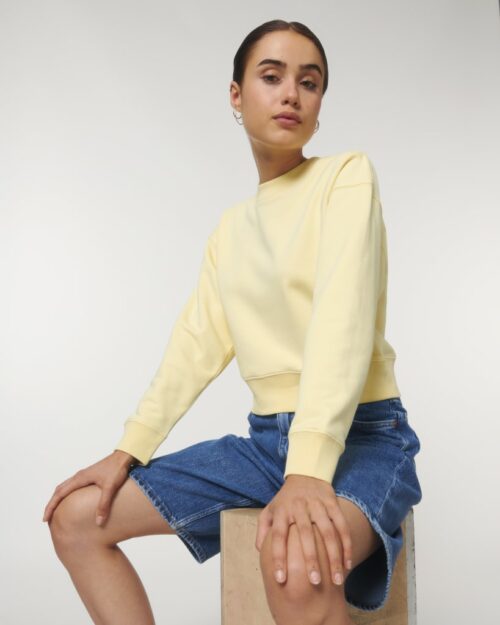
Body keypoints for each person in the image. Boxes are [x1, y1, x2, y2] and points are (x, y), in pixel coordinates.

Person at [43, 19, 422, 625]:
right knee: (76, 518)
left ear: (320, 106)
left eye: (309, 82)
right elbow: (194, 346)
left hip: (362, 436)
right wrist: (129, 448)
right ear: (237, 96)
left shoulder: (346, 177)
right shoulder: (231, 229)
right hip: (266, 445)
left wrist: (308, 469)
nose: (291, 94)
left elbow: (342, 322)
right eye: (272, 77)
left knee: (297, 563)